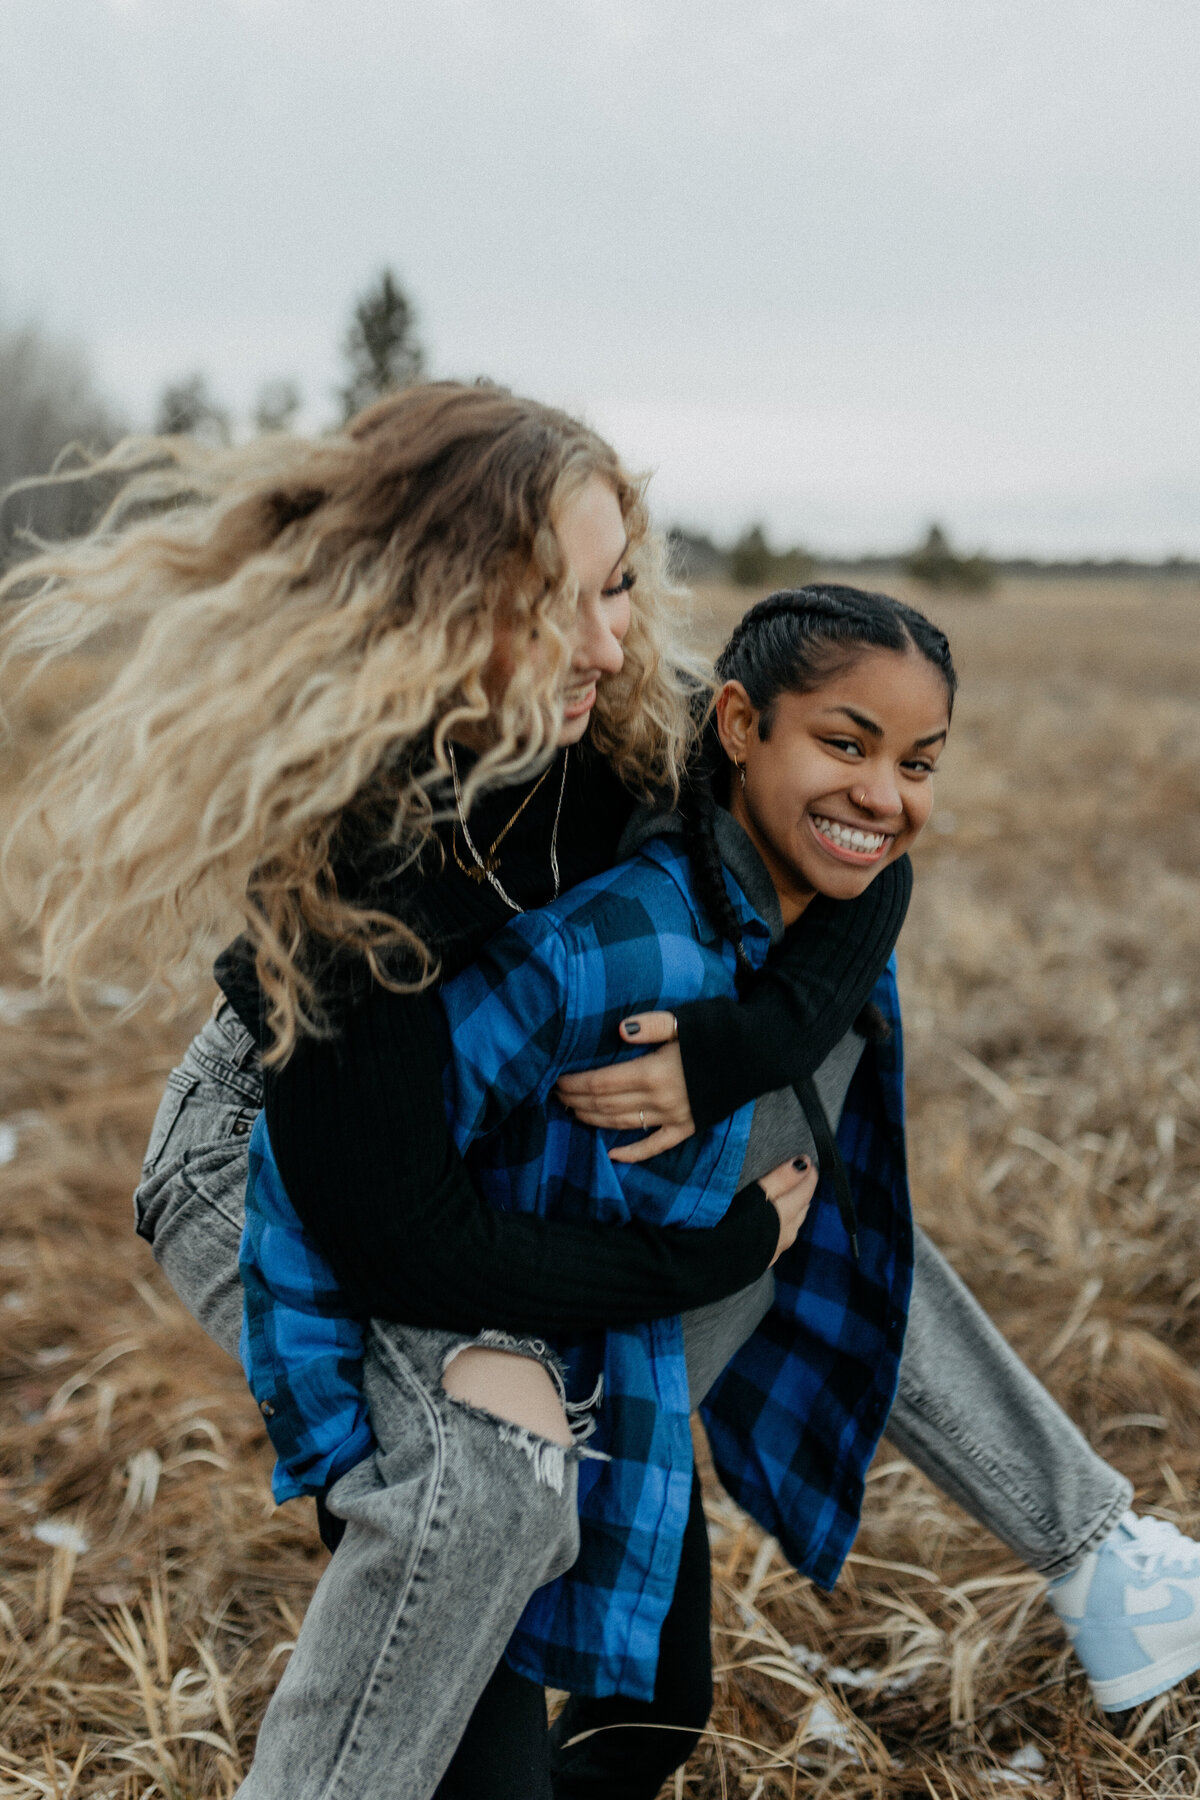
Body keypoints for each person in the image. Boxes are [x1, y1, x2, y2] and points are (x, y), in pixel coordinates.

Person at [2, 388, 1194, 1794]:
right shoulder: (353, 855)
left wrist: (725, 1058)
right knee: (488, 1497)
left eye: (620, 585)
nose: (613, 638)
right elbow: (403, 1239)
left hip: (505, 1132)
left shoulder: (624, 723)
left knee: (647, 1697)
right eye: (554, 601)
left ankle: (1105, 1557)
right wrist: (710, 1256)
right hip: (291, 1165)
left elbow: (861, 843)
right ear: (433, 605)